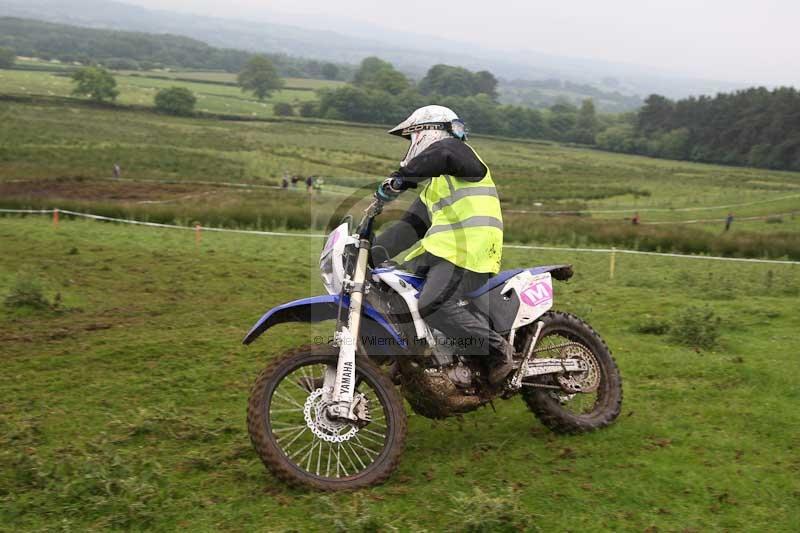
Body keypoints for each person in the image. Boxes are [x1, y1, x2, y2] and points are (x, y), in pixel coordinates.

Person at [374, 105, 514, 386]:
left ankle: (499, 350)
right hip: (443, 253)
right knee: (391, 297)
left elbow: (445, 152)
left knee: (433, 304)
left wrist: (402, 177)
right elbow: (406, 230)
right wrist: (368, 251)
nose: (412, 146)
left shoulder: (463, 156)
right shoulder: (434, 188)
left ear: (426, 133)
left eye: (411, 138)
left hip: (469, 250)